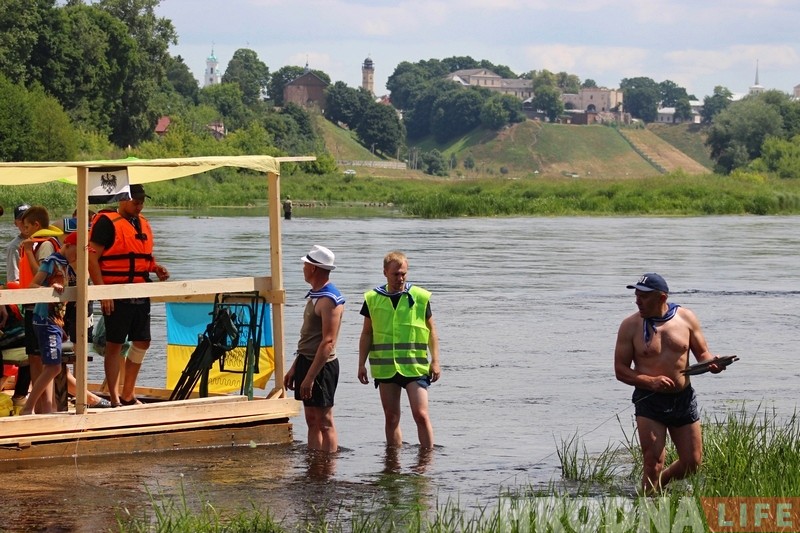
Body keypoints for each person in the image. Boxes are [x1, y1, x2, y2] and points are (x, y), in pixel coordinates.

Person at [614, 272, 725, 494]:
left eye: (644, 297)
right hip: (649, 400)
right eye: (636, 296)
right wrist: (650, 381)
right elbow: (621, 370)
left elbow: (703, 353)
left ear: (662, 297)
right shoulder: (630, 326)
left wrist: (713, 363)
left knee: (692, 463)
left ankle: (658, 485)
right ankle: (648, 505)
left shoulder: (686, 318)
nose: (637, 301)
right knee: (653, 462)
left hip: (683, 398)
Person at [88, 184, 169, 407]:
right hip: (115, 292)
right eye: (136, 202)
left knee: (143, 341)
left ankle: (128, 393)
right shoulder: (106, 222)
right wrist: (103, 292)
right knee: (114, 344)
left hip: (140, 291)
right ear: (123, 199)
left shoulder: (143, 223)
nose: (139, 206)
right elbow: (91, 259)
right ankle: (115, 399)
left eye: (142, 202)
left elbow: (142, 257)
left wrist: (155, 268)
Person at [358, 250, 441, 449]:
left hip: (415, 366)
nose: (400, 278)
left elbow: (431, 331)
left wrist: (436, 361)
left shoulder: (419, 297)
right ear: (385, 272)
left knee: (421, 415)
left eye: (403, 273)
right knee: (391, 417)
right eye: (395, 274)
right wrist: (361, 364)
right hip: (386, 368)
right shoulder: (372, 298)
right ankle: (393, 461)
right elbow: (367, 333)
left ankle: (427, 459)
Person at [283, 245, 345, 452]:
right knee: (311, 420)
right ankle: (314, 463)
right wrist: (295, 367)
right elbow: (309, 338)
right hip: (306, 360)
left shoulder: (329, 299)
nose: (303, 268)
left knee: (325, 422)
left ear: (313, 268)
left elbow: (328, 342)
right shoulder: (315, 295)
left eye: (305, 265)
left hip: (322, 366)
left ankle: (328, 466)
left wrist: (310, 377)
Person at [19, 227, 78, 414]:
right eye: (78, 250)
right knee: (53, 367)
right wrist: (50, 288)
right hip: (45, 319)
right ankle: (28, 407)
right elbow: (33, 285)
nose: (79, 256)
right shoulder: (52, 261)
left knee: (52, 366)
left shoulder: (68, 265)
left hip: (57, 321)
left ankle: (47, 408)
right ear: (68, 245)